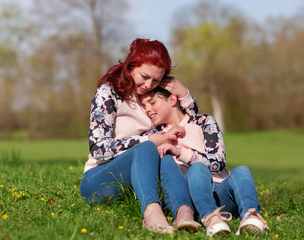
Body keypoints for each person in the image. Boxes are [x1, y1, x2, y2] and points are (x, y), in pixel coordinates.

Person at [80, 38, 201, 234]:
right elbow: (98, 149)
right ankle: (152, 214)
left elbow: (191, 119)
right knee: (148, 147)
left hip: (140, 177)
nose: (148, 84)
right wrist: (149, 140)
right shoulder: (109, 93)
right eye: (144, 76)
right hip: (98, 179)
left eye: (156, 80)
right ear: (130, 66)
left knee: (165, 154)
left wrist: (183, 93)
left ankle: (184, 213)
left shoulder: (151, 97)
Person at [140, 87, 269, 237]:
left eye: (152, 102)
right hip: (191, 193)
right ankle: (211, 219)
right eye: (143, 106)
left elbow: (218, 162)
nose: (147, 109)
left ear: (172, 100)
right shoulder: (153, 135)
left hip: (220, 190)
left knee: (242, 171)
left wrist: (180, 152)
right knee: (198, 169)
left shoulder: (203, 122)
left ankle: (251, 216)